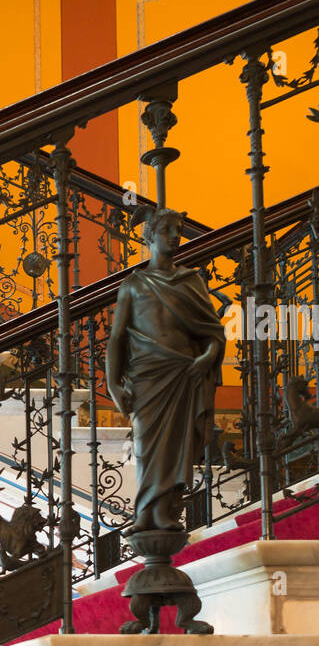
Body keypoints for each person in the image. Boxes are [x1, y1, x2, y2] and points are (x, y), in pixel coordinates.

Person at [106, 206, 225, 532]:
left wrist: (208, 357)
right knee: (145, 445)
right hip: (147, 377)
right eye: (168, 230)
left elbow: (213, 333)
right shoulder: (133, 285)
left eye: (179, 231)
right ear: (149, 237)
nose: (175, 237)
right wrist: (113, 384)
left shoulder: (191, 281)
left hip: (183, 375)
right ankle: (146, 512)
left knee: (176, 446)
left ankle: (163, 512)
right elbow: (116, 339)